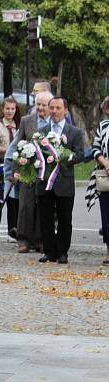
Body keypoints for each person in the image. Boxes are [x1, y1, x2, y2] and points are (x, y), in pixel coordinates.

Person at [36, 97, 85, 264]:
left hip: (64, 181)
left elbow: (80, 155)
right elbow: (36, 153)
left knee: (65, 219)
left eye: (58, 108)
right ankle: (49, 251)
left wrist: (63, 157)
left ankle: (62, 251)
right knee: (45, 218)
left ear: (65, 110)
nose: (54, 111)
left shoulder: (74, 132)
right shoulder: (41, 131)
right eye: (52, 108)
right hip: (45, 182)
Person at [3, 91, 52, 253]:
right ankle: (23, 240)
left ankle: (40, 240)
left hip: (47, 171)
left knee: (43, 205)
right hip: (27, 169)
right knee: (25, 205)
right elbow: (17, 146)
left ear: (50, 106)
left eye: (44, 105)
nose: (40, 108)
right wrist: (14, 171)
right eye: (38, 104)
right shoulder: (26, 121)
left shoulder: (55, 122)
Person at [0, 97, 20, 242]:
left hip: (16, 166)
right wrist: (8, 151)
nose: (10, 111)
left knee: (13, 199)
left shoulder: (18, 126)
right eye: (7, 108)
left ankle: (12, 230)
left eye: (12, 109)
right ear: (3, 109)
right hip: (0, 165)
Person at [91, 96, 109, 265]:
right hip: (106, 175)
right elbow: (96, 148)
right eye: (107, 109)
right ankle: (108, 252)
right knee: (107, 215)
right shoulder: (103, 126)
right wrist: (105, 163)